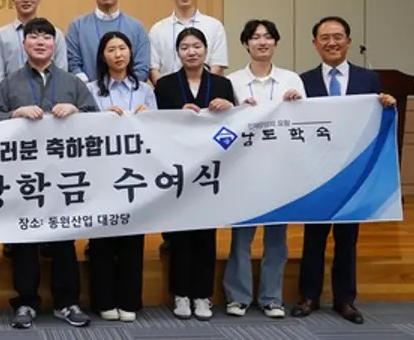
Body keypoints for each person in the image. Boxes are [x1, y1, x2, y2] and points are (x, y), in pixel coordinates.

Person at [0, 17, 97, 330]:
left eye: (46, 37)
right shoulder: (9, 84)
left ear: (54, 44)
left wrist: (76, 111)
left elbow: (96, 122)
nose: (40, 42)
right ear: (23, 44)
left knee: (64, 240)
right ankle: (25, 302)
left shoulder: (73, 84)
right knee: (24, 241)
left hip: (63, 178)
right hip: (23, 177)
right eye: (34, 37)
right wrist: (15, 113)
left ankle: (67, 302)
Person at [291, 16, 396, 325]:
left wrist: (388, 105)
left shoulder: (369, 79)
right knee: (314, 236)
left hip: (353, 172)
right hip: (316, 173)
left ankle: (345, 300)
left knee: (347, 238)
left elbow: (376, 120)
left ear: (349, 41)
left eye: (338, 36)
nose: (332, 42)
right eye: (324, 37)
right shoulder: (303, 81)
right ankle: (309, 296)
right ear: (315, 44)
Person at [223, 19, 305, 319]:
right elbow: (222, 125)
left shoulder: (291, 80)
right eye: (255, 37)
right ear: (246, 43)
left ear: (276, 43)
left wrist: (296, 104)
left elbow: (305, 122)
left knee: (277, 238)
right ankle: (238, 297)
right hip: (244, 170)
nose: (262, 42)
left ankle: (272, 298)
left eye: (268, 37)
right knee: (241, 238)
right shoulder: (232, 82)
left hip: (281, 169)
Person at [153, 27, 235, 321]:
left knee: (205, 234)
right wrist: (178, 112)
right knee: (180, 235)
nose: (191, 51)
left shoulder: (223, 84)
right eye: (185, 47)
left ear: (206, 50)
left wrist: (230, 108)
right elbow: (156, 125)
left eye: (197, 46)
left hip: (211, 168)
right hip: (177, 168)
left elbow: (235, 125)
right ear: (177, 53)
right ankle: (180, 294)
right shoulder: (165, 85)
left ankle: (202, 295)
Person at [85, 31, 156, 323]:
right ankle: (103, 300)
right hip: (101, 173)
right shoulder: (91, 90)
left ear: (130, 53)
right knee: (102, 239)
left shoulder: (145, 89)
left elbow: (160, 128)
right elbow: (83, 128)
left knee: (132, 238)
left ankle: (129, 300)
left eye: (122, 48)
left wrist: (147, 117)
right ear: (103, 56)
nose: (118, 54)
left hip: (135, 171)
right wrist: (102, 120)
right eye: (111, 49)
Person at [66, 0, 150, 83]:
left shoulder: (136, 27)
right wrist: (89, 87)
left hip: (129, 91)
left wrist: (124, 87)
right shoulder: (78, 26)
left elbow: (142, 67)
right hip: (87, 91)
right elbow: (73, 64)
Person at [148, 0, 228, 84]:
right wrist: (166, 90)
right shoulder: (158, 29)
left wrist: (203, 90)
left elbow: (218, 65)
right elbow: (153, 69)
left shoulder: (214, 26)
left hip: (206, 92)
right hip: (168, 93)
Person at [0, 0, 67, 89]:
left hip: (49, 97)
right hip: (12, 97)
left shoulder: (55, 34)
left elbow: (62, 72)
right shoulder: (0, 35)